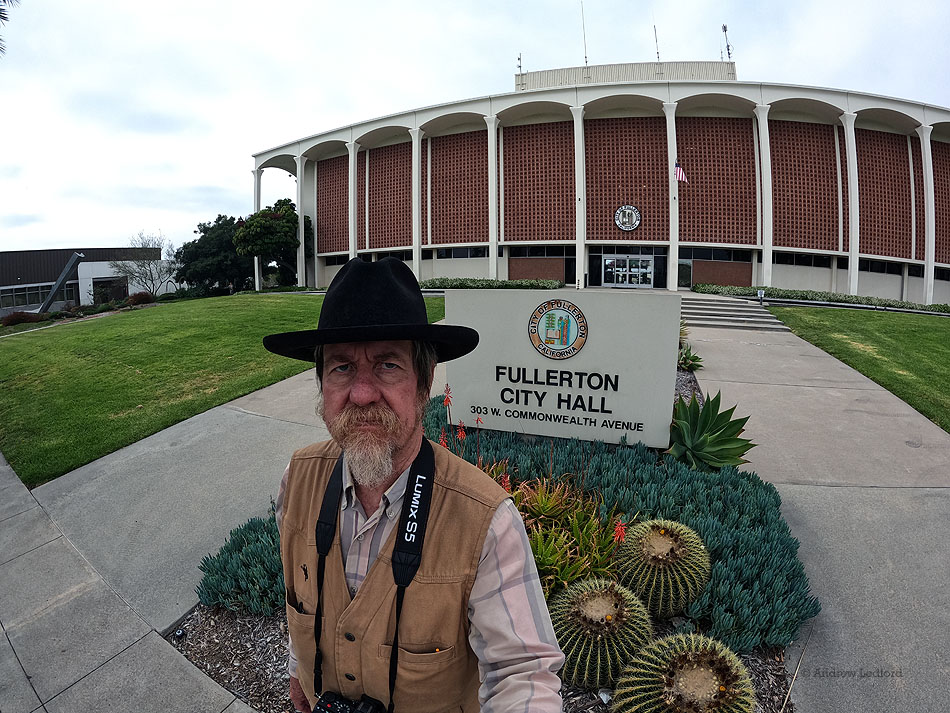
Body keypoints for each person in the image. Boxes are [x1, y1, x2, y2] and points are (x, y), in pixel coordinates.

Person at [265, 257, 564, 713]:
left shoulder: (485, 520)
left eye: (387, 365)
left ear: (424, 384)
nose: (361, 393)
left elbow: (523, 674)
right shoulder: (298, 479)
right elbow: (298, 603)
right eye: (341, 368)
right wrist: (297, 673)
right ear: (322, 385)